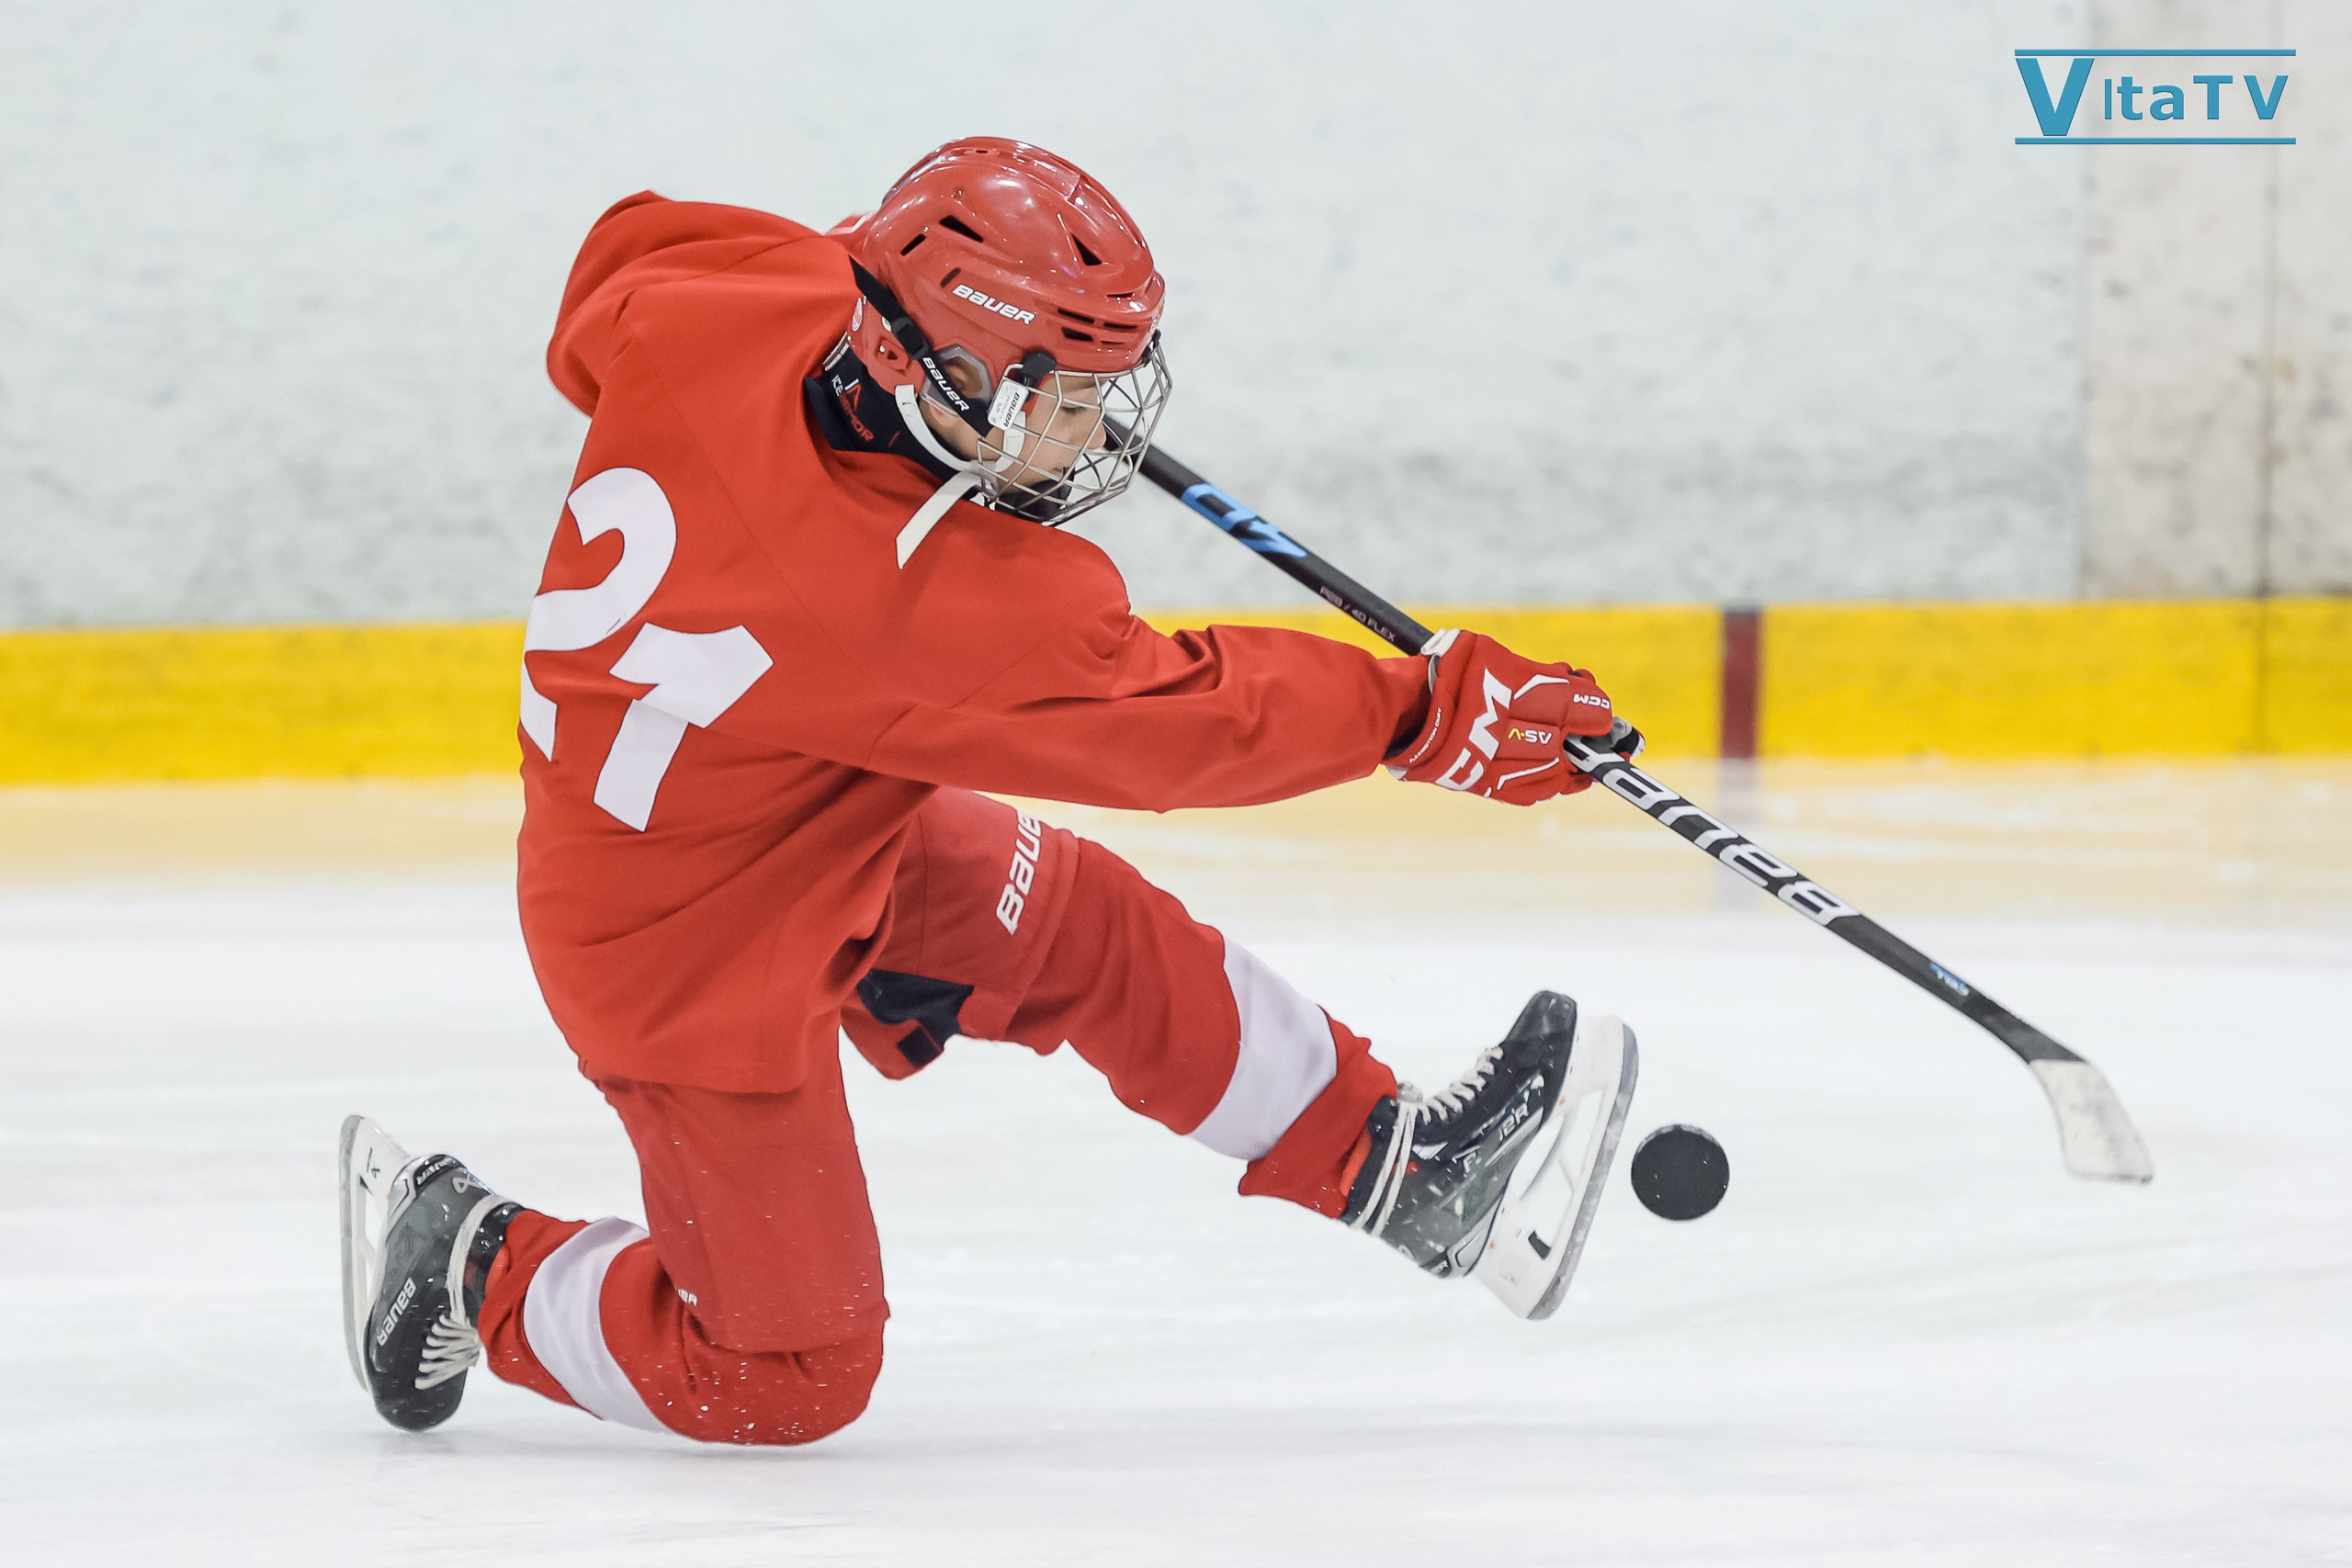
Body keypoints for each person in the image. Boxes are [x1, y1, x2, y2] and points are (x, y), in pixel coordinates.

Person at [338, 137, 1642, 1445]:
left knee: (1089, 930)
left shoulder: (742, 299)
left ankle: (1396, 1170)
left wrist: (888, 273)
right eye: (1063, 393)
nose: (1097, 427)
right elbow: (1183, 723)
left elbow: (617, 264)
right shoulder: (915, 602)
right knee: (785, 1376)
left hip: (790, 806)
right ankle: (466, 1253)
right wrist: (1428, 717)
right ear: (933, 366)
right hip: (676, 954)